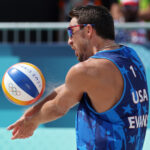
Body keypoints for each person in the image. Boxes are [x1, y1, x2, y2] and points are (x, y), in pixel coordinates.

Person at [7, 5, 149, 150]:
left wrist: (32, 122)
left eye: (71, 31)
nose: (69, 40)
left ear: (88, 30)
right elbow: (69, 88)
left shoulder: (87, 70)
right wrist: (33, 111)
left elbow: (58, 107)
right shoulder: (132, 56)